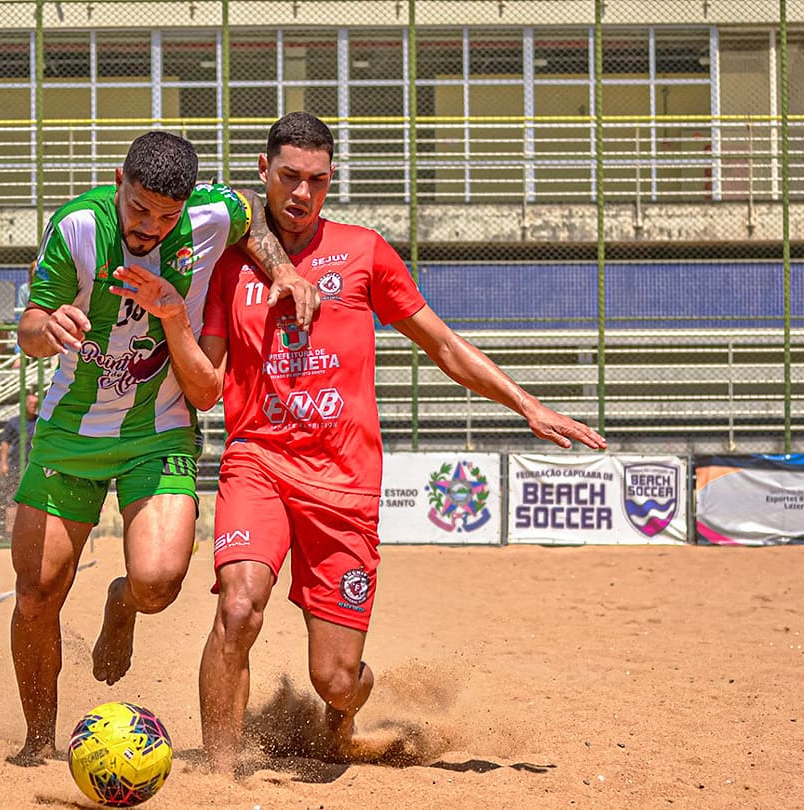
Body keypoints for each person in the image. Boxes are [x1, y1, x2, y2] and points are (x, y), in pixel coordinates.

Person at [110, 113, 607, 771]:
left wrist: (526, 404)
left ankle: (340, 723)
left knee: (336, 678)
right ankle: (221, 775)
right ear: (264, 171)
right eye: (288, 176)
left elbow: (443, 344)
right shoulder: (227, 263)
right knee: (238, 609)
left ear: (330, 180)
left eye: (316, 180)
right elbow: (205, 385)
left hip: (344, 484)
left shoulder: (365, 251)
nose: (301, 193)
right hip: (258, 461)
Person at [8, 130, 317, 763]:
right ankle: (39, 738)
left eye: (165, 216)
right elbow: (30, 326)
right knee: (36, 593)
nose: (150, 227)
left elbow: (249, 211)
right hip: (72, 432)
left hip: (161, 427)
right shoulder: (78, 228)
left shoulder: (209, 213)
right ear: (119, 180)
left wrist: (281, 268)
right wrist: (50, 328)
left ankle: (121, 603)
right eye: (139, 209)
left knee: (158, 583)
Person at [0, 390, 39, 537]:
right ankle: (9, 533)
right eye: (31, 404)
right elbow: (5, 444)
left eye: (36, 404)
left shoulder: (39, 422)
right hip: (16, 466)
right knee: (12, 499)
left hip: (33, 467)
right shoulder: (14, 422)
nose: (34, 406)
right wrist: (3, 463)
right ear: (24, 405)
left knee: (33, 501)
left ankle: (29, 531)